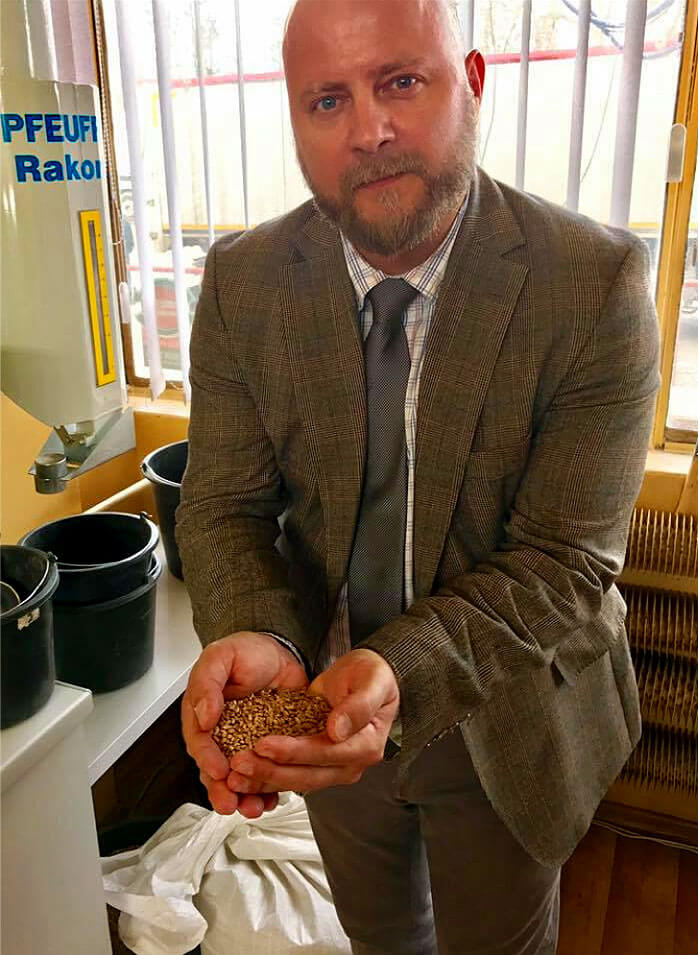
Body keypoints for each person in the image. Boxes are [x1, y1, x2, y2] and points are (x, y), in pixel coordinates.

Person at [175, 1, 660, 951]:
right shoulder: (244, 282)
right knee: (381, 939)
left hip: (513, 720)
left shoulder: (594, 284)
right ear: (294, 119)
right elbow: (224, 506)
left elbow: (566, 560)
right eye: (327, 100)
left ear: (471, 81)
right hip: (324, 706)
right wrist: (256, 633)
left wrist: (400, 669)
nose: (369, 131)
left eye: (402, 81)